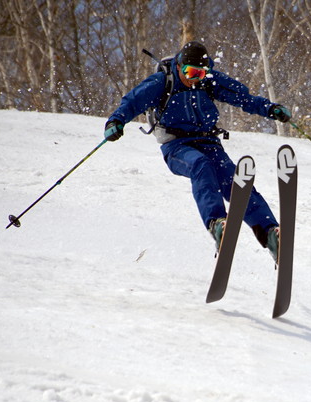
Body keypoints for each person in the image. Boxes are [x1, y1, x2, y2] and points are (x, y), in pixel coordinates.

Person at [104, 41, 291, 260]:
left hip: (209, 142)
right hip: (177, 146)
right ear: (180, 66)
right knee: (200, 165)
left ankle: (270, 233)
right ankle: (217, 224)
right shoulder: (163, 82)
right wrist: (115, 121)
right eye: (190, 72)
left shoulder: (208, 82)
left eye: (201, 73)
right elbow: (133, 101)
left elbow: (243, 98)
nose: (195, 79)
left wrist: (270, 109)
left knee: (235, 181)